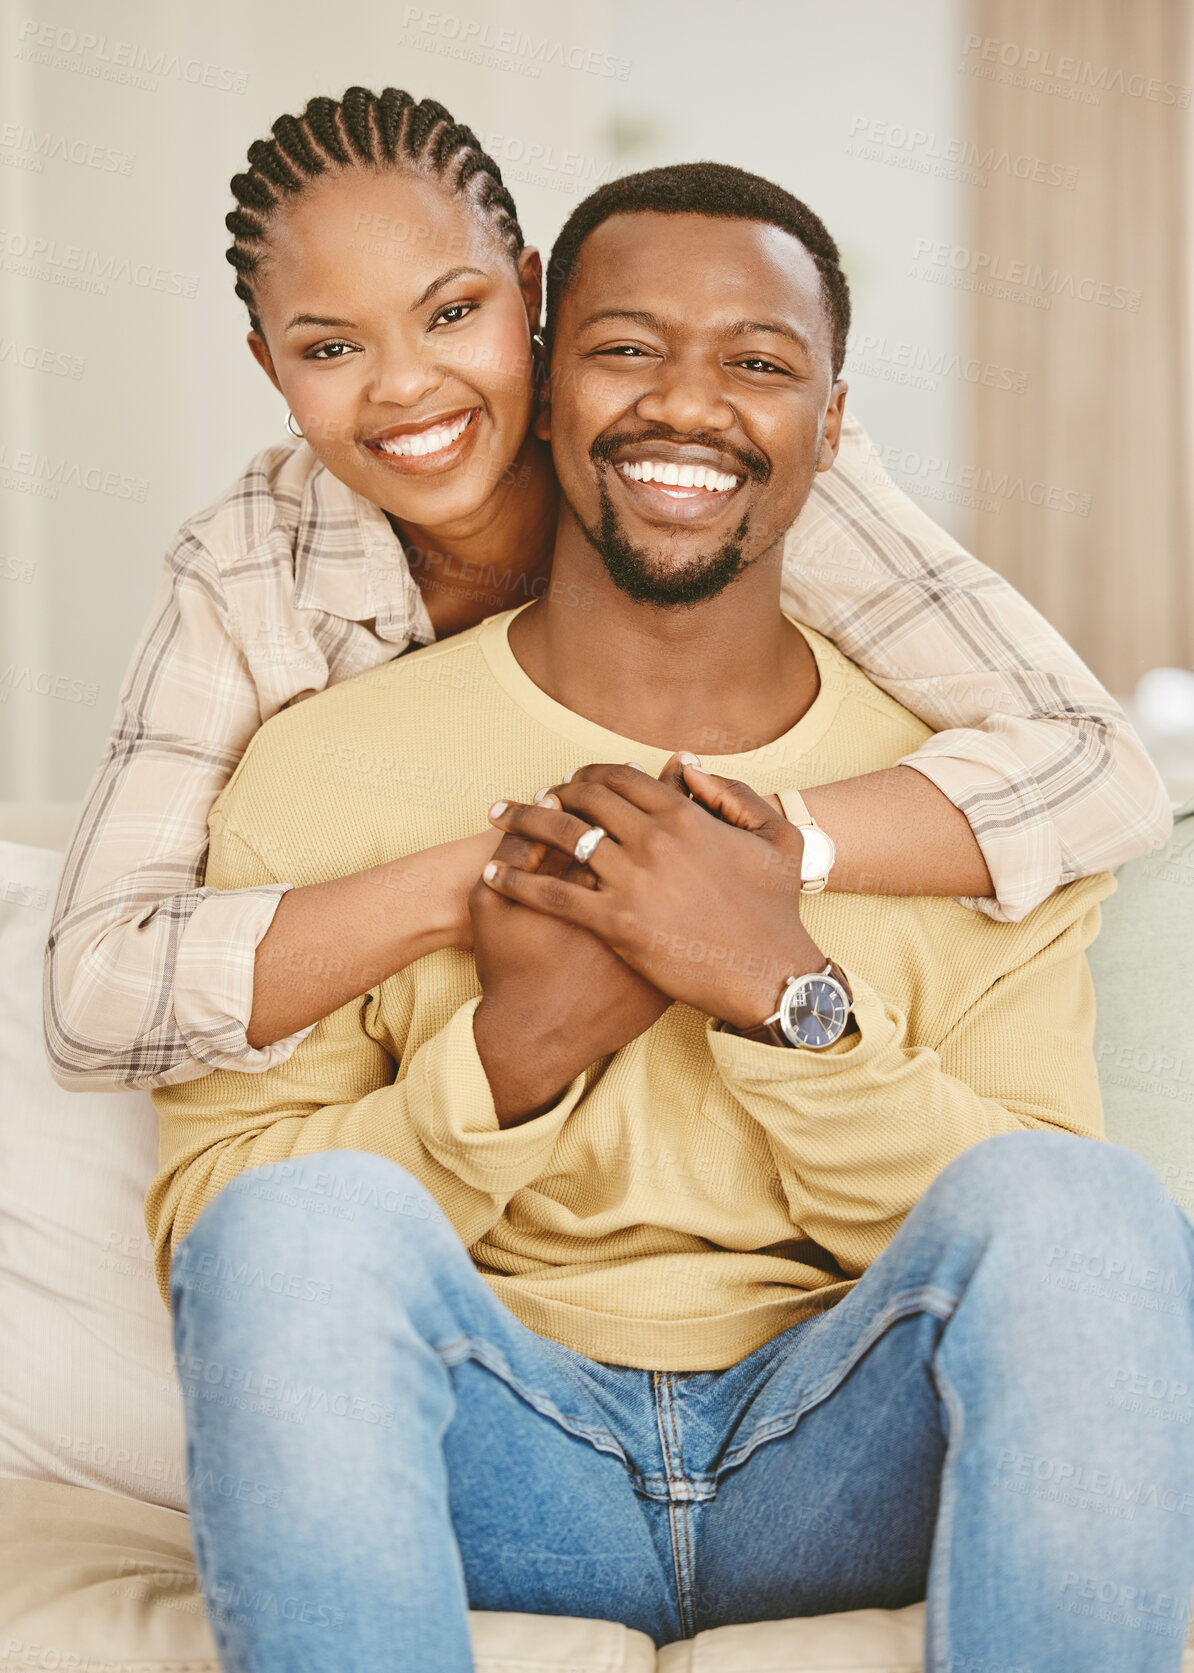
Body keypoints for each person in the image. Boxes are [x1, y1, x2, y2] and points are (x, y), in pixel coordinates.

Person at [150, 164, 1194, 1673]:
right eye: (625, 348)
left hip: (847, 1452)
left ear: (827, 427)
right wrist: (505, 1060)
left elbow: (1040, 1249)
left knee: (1094, 1207)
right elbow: (218, 1243)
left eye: (758, 364)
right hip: (494, 1452)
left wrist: (784, 1000)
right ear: (544, 388)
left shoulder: (970, 802)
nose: (685, 407)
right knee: (288, 1230)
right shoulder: (321, 766)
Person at [45, 87, 1169, 1093]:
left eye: (451, 314)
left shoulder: (720, 466)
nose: (405, 386)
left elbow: (1097, 765)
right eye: (330, 348)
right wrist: (518, 871)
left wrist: (762, 846)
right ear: (270, 369)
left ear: (530, 297)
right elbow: (95, 992)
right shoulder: (246, 565)